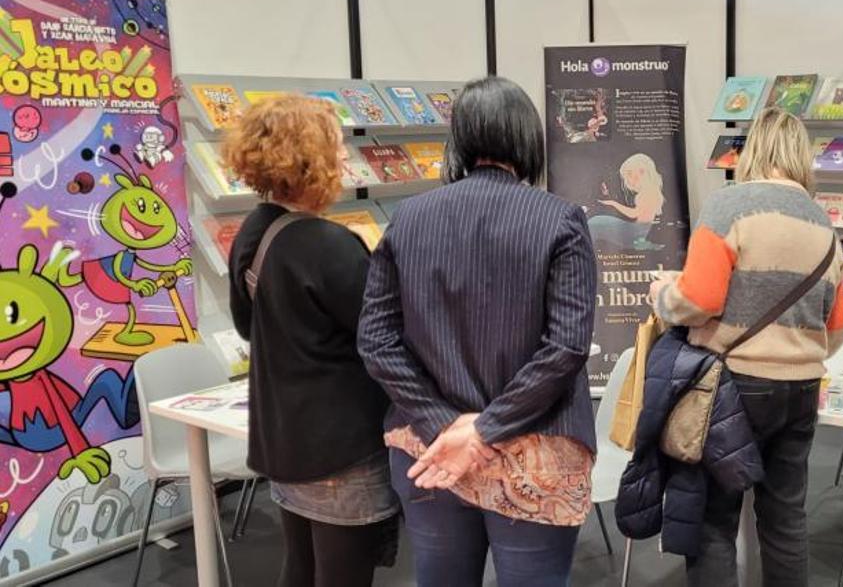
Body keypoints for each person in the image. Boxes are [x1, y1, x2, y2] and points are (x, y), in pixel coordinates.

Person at [358, 76, 598, 587]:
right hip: (535, 451)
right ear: (528, 138)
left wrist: (445, 424)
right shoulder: (560, 221)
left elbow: (376, 341)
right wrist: (483, 429)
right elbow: (566, 347)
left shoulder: (409, 218)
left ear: (460, 139)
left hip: (429, 448)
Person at [649, 106, 843, 586]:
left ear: (753, 149)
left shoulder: (730, 206)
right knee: (785, 520)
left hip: (729, 388)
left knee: (714, 520)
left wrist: (663, 297)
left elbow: (699, 299)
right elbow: (835, 331)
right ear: (802, 156)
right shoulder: (824, 224)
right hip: (801, 389)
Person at [223, 95, 397, 587]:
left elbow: (245, 327)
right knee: (343, 575)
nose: (345, 160)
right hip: (339, 448)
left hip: (283, 441)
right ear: (308, 156)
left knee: (299, 566)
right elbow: (382, 337)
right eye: (337, 147)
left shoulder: (252, 233)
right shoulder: (327, 245)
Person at [588, 152, 665, 250]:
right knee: (595, 222)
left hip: (634, 233)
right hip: (639, 231)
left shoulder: (647, 193)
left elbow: (634, 214)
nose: (631, 180)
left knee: (594, 223)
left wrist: (613, 204)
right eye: (629, 175)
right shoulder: (651, 192)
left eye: (638, 173)